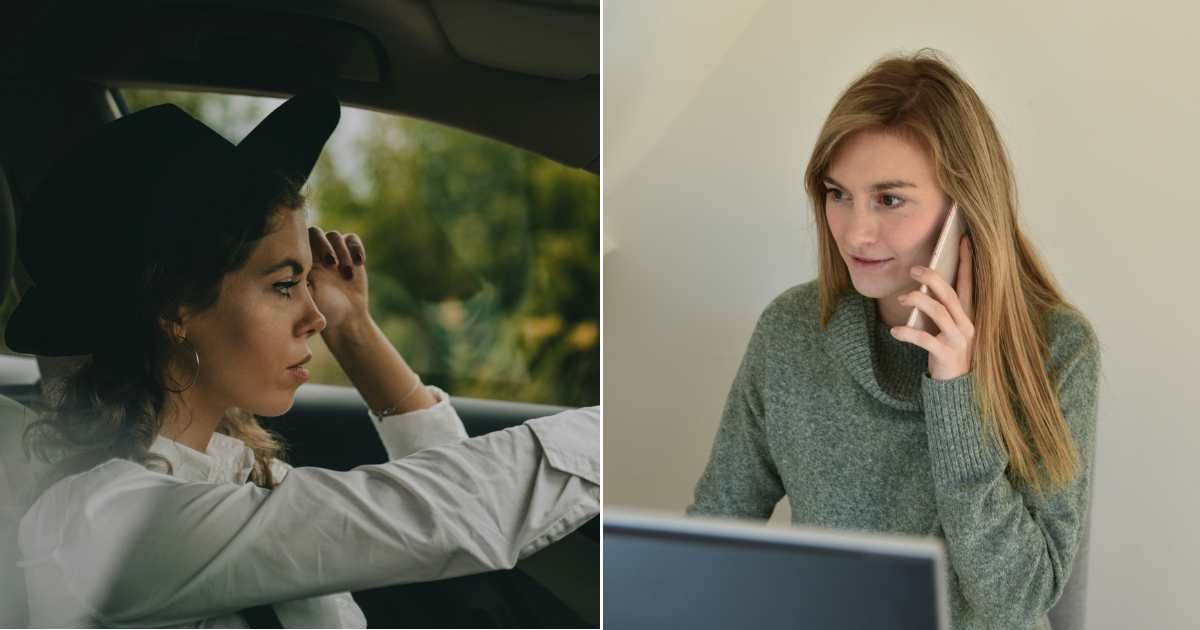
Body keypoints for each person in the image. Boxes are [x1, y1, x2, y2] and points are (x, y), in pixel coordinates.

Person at [7, 90, 599, 627]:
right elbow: (439, 514)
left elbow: (459, 528)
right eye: (284, 284)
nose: (316, 315)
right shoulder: (107, 523)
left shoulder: (239, 472)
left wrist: (356, 330)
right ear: (175, 309)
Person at [687, 50, 1100, 630]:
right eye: (838, 194)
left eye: (889, 199)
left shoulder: (1057, 349)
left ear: (964, 209)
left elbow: (1020, 598)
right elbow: (715, 535)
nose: (855, 232)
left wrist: (955, 394)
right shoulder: (792, 330)